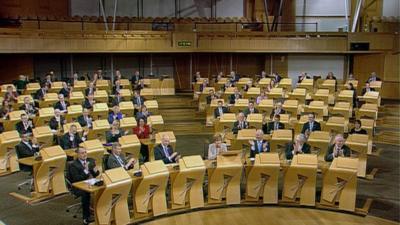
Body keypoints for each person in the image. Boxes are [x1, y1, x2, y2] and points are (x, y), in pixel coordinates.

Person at [68, 147, 99, 224]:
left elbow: (95, 174)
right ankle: (86, 217)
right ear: (78, 154)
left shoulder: (90, 160)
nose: (84, 154)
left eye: (85, 152)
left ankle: (99, 211)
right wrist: (85, 170)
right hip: (78, 186)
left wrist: (96, 171)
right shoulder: (73, 165)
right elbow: (76, 179)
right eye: (82, 153)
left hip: (90, 182)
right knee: (86, 193)